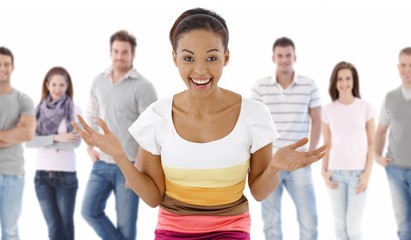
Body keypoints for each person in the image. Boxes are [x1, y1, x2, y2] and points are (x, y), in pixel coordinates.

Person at [73, 8, 327, 239]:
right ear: (174, 58)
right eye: (189, 58)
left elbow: (259, 192)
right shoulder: (157, 116)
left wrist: (274, 167)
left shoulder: (254, 114)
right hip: (172, 229)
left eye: (212, 58)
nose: (200, 70)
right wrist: (118, 155)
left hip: (231, 228)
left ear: (226, 57)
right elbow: (152, 198)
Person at [81, 30, 158, 240]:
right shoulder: (98, 81)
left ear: (133, 54)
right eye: (115, 51)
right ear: (110, 52)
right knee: (88, 211)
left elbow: (149, 132)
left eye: (124, 52)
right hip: (101, 163)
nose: (119, 56)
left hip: (129, 165)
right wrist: (89, 147)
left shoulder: (144, 87)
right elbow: (92, 115)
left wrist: (138, 168)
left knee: (126, 225)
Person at [250, 37, 322, 240]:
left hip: (300, 162)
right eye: (280, 56)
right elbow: (254, 125)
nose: (284, 60)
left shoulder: (309, 85)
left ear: (295, 57)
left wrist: (309, 154)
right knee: (271, 221)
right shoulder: (260, 87)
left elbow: (317, 120)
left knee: (309, 220)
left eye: (288, 55)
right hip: (271, 162)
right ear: (273, 58)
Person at [25, 66, 81, 240]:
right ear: (47, 85)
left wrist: (45, 140)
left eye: (62, 85)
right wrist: (57, 138)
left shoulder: (74, 109)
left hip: (66, 176)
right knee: (54, 228)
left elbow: (75, 142)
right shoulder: (38, 110)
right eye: (54, 84)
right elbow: (29, 141)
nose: (58, 89)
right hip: (42, 177)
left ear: (67, 86)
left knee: (65, 225)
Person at [321, 61, 375, 240]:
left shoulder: (364, 107)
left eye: (348, 78)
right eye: (340, 79)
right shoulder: (328, 110)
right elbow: (326, 144)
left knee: (353, 228)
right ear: (335, 82)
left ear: (354, 81)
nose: (344, 83)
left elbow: (372, 143)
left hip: (358, 175)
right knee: (339, 228)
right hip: (335, 174)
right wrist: (323, 171)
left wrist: (367, 173)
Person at [375, 47, 411, 240]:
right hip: (395, 169)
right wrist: (377, 156)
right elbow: (381, 130)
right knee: (404, 223)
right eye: (403, 65)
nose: (407, 70)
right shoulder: (390, 98)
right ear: (398, 67)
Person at [0, 46, 36, 239]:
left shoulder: (23, 100)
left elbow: (28, 134)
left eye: (6, 64)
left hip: (13, 175)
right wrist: (12, 134)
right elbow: (19, 134)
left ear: (12, 67)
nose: (3, 68)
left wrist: (20, 133)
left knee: (10, 231)